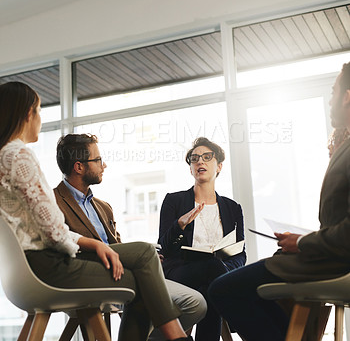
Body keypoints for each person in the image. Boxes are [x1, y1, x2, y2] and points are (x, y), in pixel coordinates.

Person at [0, 81, 193, 341]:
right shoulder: (19, 156)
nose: (40, 119)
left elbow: (45, 226)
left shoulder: (5, 157)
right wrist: (88, 247)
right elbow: (53, 230)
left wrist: (95, 244)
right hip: (48, 266)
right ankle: (178, 338)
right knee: (143, 276)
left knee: (145, 255)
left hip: (24, 270)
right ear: (27, 114)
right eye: (39, 111)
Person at [208, 62, 350, 341]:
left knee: (222, 289)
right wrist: (303, 241)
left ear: (347, 97)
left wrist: (302, 243)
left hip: (334, 263)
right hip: (330, 256)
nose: (331, 99)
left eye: (334, 92)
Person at [53, 133, 207, 341]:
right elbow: (59, 245)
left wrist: (149, 258)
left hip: (123, 270)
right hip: (87, 274)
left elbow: (117, 246)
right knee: (143, 271)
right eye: (98, 160)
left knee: (196, 303)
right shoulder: (52, 202)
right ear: (79, 167)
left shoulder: (103, 207)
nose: (104, 165)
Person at [158, 137, 246, 341]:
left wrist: (226, 272)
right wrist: (179, 225)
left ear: (219, 166)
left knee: (210, 288)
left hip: (216, 275)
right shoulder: (174, 200)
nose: (200, 162)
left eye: (207, 157)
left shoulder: (233, 208)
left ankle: (222, 285)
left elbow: (240, 253)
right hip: (181, 271)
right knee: (212, 269)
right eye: (194, 158)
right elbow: (164, 248)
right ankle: (239, 317)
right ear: (191, 169)